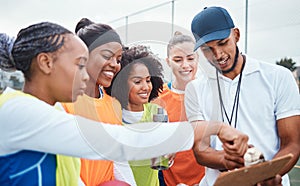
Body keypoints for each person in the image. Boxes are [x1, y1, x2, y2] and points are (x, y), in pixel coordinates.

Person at [0, 21, 248, 185]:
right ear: (45, 63)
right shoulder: (17, 111)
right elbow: (120, 142)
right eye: (79, 65)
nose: (86, 75)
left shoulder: (45, 111)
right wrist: (213, 128)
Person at [186, 6, 300, 186]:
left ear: (236, 35)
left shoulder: (278, 77)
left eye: (223, 42)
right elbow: (201, 150)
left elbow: (292, 143)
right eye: (208, 49)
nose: (218, 55)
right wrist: (227, 160)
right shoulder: (195, 89)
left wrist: (265, 175)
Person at [62, 18, 135, 186]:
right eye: (107, 56)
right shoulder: (64, 102)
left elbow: (118, 160)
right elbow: (62, 163)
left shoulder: (114, 105)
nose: (115, 65)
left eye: (118, 59)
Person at [105, 45, 166, 186]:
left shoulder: (158, 112)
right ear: (121, 84)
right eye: (138, 82)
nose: (146, 87)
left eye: (148, 80)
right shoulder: (114, 115)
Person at [152, 31, 205, 186]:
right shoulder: (158, 97)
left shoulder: (208, 93)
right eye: (178, 60)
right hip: (169, 180)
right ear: (168, 62)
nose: (185, 65)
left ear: (197, 59)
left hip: (204, 180)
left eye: (190, 58)